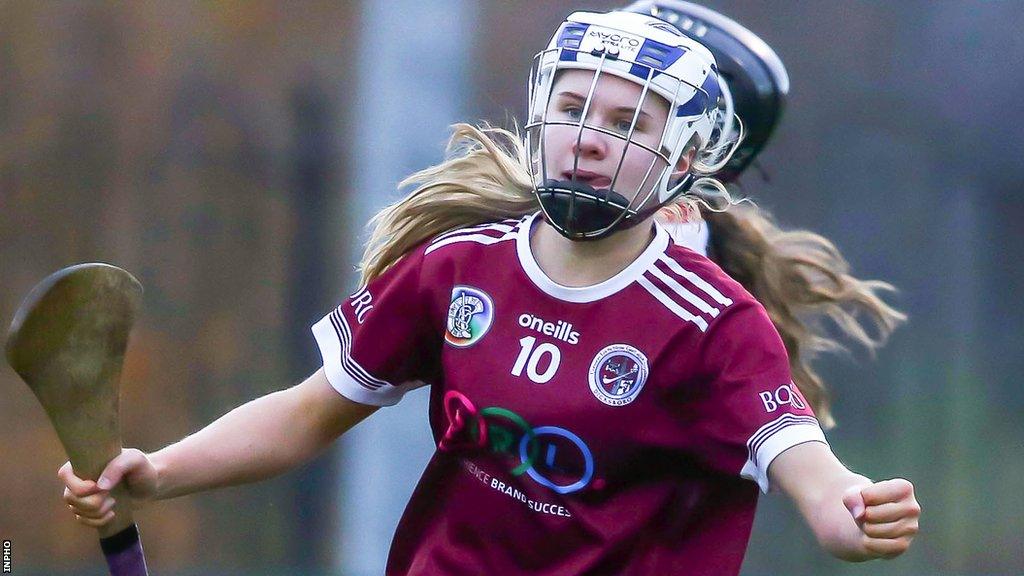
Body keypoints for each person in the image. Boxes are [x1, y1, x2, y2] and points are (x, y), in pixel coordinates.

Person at [59, 8, 920, 575]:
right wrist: (157, 473)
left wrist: (849, 514)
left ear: (688, 158)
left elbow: (812, 474)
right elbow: (306, 411)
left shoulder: (713, 320)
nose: (589, 138)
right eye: (575, 110)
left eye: (627, 124)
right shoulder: (456, 267)